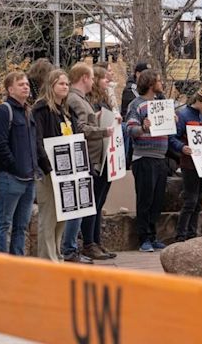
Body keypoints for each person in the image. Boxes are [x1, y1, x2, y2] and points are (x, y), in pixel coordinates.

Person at [63, 62, 114, 263]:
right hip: (88, 156)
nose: (93, 81)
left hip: (96, 156)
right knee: (89, 204)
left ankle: (94, 241)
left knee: (96, 203)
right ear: (84, 77)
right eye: (92, 77)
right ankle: (87, 244)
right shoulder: (75, 100)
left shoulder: (82, 100)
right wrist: (102, 130)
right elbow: (81, 128)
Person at [0, 71, 40, 255]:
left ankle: (17, 265)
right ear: (10, 89)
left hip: (29, 178)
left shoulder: (28, 111)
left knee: (22, 226)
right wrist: (13, 166)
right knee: (5, 223)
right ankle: (2, 266)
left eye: (27, 84)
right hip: (11, 177)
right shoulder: (4, 111)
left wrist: (36, 169)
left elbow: (34, 143)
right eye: (21, 84)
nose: (26, 87)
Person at [33, 69, 77, 262]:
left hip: (66, 171)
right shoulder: (41, 109)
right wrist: (48, 168)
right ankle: (47, 260)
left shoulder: (66, 111)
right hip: (48, 172)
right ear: (51, 85)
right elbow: (38, 141)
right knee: (48, 218)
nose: (65, 87)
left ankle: (57, 255)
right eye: (61, 83)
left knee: (62, 218)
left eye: (67, 84)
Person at [126, 69, 169, 252]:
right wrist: (143, 127)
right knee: (145, 199)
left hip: (161, 157)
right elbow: (130, 129)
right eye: (159, 81)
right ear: (151, 84)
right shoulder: (137, 104)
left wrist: (170, 120)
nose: (162, 84)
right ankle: (143, 238)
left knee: (157, 200)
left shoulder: (161, 104)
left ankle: (152, 235)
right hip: (144, 157)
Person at [80, 66, 119, 259]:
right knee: (93, 202)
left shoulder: (107, 100)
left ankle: (96, 241)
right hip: (95, 155)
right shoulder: (89, 102)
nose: (108, 81)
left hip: (108, 155)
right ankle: (89, 242)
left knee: (100, 201)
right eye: (104, 79)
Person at [169, 85, 202, 242]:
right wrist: (182, 147)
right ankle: (181, 234)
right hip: (189, 164)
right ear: (198, 100)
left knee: (199, 199)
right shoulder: (183, 115)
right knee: (190, 199)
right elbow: (172, 138)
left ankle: (192, 232)